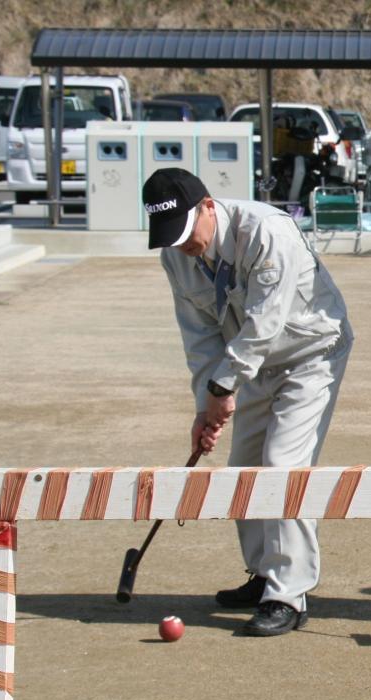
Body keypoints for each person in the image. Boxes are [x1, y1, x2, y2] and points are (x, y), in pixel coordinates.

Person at [142, 168, 353, 637]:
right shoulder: (176, 258)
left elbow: (264, 322)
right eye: (170, 238)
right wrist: (206, 402)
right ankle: (263, 575)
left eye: (186, 233)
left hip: (312, 353)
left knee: (281, 467)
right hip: (251, 367)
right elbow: (199, 337)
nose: (183, 246)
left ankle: (288, 594)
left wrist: (223, 389)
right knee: (244, 469)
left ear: (208, 206)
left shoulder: (265, 231)